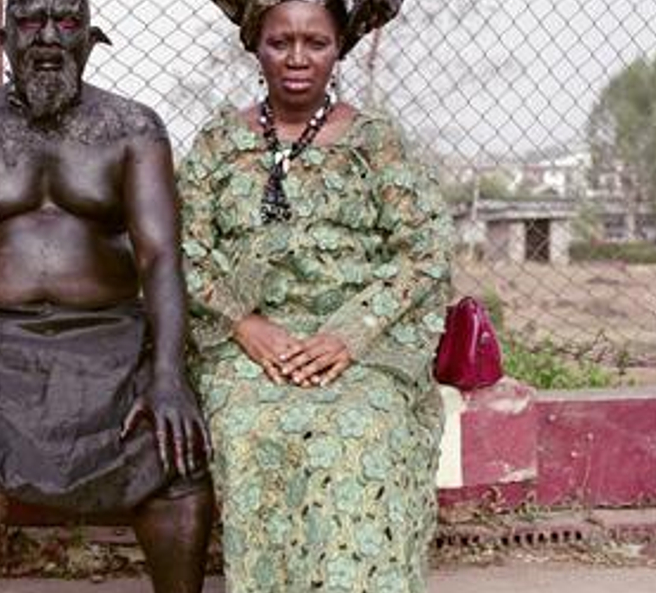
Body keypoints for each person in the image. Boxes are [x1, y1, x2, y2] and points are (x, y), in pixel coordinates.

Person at [0, 1, 213, 591]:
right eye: (31, 21)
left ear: (91, 37)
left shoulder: (134, 128)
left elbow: (160, 257)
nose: (49, 37)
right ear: (2, 35)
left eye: (67, 21)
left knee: (178, 454)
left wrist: (168, 376)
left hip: (109, 339)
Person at [177, 0, 454, 591]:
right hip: (246, 344)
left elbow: (425, 251)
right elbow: (182, 250)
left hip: (360, 344)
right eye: (281, 42)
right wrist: (245, 326)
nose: (298, 59)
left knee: (361, 430)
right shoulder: (218, 144)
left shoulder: (375, 142)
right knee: (252, 430)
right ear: (256, 46)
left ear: (338, 48)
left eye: (316, 43)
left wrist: (346, 337)